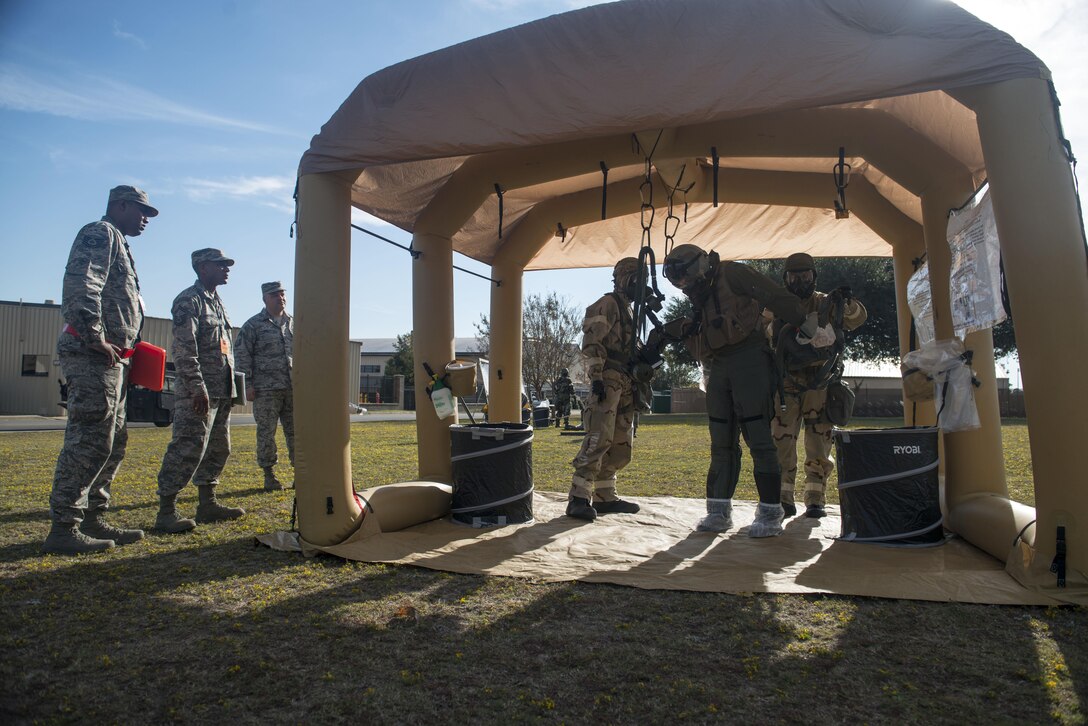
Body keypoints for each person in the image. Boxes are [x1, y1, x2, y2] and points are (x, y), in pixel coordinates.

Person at [662, 244, 815, 537]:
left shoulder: (733, 273)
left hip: (750, 359)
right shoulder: (701, 291)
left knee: (758, 436)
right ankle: (718, 512)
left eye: (684, 278)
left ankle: (771, 512)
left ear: (698, 265)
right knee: (721, 439)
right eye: (678, 281)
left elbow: (773, 294)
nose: (683, 286)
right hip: (718, 364)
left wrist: (803, 321)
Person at [43, 186, 158, 554]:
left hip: (115, 358)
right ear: (119, 206)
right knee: (89, 439)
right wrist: (95, 336)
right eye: (141, 210)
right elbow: (81, 285)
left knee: (113, 440)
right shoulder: (100, 233)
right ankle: (64, 527)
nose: (146, 218)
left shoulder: (120, 242)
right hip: (94, 354)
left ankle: (93, 517)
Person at [769, 253, 867, 518]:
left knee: (819, 441)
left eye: (805, 276)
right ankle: (782, 497)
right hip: (786, 384)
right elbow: (760, 332)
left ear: (814, 276)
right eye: (794, 276)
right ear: (785, 278)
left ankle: (815, 498)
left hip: (819, 384)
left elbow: (857, 318)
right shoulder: (776, 305)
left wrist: (846, 302)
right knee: (781, 441)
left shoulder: (826, 302)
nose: (800, 281)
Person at [154, 248, 245, 533]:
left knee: (219, 448)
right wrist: (196, 387)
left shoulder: (217, 302)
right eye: (220, 265)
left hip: (221, 390)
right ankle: (166, 511)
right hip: (198, 392)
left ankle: (208, 504)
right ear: (203, 267)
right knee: (187, 448)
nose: (226, 269)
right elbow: (183, 349)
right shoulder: (188, 301)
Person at [566, 257, 643, 521]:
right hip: (608, 378)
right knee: (599, 437)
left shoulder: (629, 310)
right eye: (636, 280)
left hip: (625, 379)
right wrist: (596, 377)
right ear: (624, 279)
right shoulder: (608, 304)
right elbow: (593, 341)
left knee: (621, 441)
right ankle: (578, 497)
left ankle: (604, 496)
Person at [235, 281, 295, 491]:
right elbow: (242, 356)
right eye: (275, 295)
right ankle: (269, 475)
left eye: (282, 294)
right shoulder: (253, 325)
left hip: (292, 389)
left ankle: (301, 473)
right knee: (266, 433)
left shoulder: (294, 323)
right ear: (265, 299)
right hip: (265, 390)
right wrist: (247, 385)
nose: (281, 298)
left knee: (296, 432)